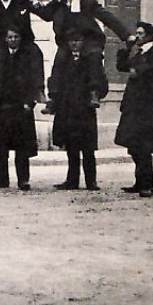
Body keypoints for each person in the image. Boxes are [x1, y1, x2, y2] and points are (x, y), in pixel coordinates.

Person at [48, 17, 109, 191]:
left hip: (85, 109)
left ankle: (91, 181)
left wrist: (94, 95)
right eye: (72, 41)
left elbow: (101, 81)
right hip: (68, 109)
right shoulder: (62, 61)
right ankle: (72, 180)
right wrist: (54, 98)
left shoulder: (91, 61)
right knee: (71, 148)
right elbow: (55, 79)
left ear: (83, 42)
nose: (74, 44)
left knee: (88, 148)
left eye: (78, 41)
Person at [0, 22, 45, 191]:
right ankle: (1, 179)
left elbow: (35, 79)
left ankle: (23, 179)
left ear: (21, 38)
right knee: (0, 146)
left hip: (20, 106)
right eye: (10, 37)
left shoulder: (28, 56)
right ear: (5, 38)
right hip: (2, 106)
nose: (13, 40)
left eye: (16, 37)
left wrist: (29, 102)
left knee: (22, 147)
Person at [114, 21, 153, 198]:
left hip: (146, 108)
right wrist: (126, 47)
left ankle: (147, 185)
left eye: (140, 34)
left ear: (150, 36)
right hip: (132, 106)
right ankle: (139, 182)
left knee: (144, 146)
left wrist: (140, 72)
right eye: (136, 33)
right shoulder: (137, 53)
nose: (137, 36)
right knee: (133, 145)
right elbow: (121, 66)